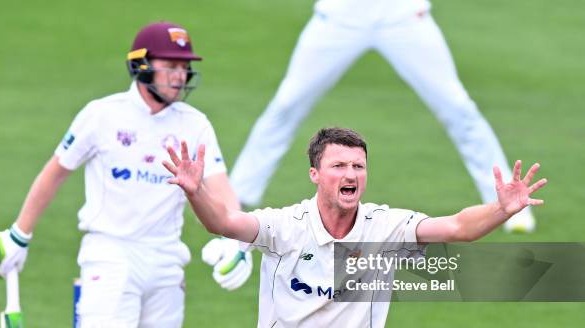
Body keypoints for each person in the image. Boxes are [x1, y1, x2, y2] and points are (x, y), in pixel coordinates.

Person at [162, 127, 546, 328]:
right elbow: (224, 223)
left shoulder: (385, 226)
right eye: (339, 165)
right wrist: (196, 191)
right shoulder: (285, 227)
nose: (351, 175)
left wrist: (500, 209)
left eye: (358, 166)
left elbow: (458, 227)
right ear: (315, 174)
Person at [0, 21, 252, 328]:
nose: (180, 74)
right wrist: (18, 234)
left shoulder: (195, 124)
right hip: (110, 254)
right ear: (141, 65)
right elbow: (54, 172)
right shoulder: (102, 115)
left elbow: (221, 186)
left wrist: (236, 238)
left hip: (165, 258)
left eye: (184, 66)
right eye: (170, 64)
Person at [229, 0, 536, 233]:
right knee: (286, 105)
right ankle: (237, 195)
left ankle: (508, 202)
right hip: (338, 17)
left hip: (404, 16)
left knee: (458, 108)